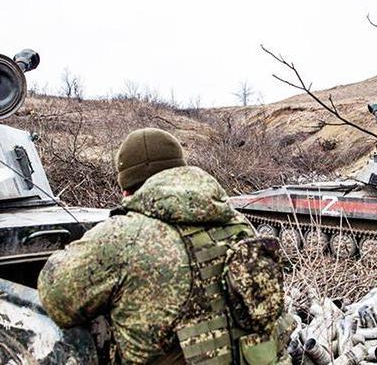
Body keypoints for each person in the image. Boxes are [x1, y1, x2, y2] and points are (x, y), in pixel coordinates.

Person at [38, 127, 286, 365]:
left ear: (126, 187)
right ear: (181, 170)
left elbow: (57, 301)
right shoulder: (234, 221)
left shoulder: (121, 236)